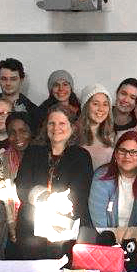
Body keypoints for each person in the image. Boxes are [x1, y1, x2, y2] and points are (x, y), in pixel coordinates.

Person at [13, 106, 93, 258]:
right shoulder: (33, 151)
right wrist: (46, 197)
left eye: (62, 123)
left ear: (72, 127)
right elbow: (21, 185)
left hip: (65, 230)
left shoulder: (81, 156)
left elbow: (81, 192)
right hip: (30, 230)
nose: (56, 128)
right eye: (51, 123)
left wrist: (58, 202)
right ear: (46, 127)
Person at [89, 130, 137, 228]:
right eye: (122, 151)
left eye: (134, 152)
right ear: (115, 154)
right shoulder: (102, 176)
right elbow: (99, 222)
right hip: (106, 238)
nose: (127, 156)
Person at [0, 112, 34, 242]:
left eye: (23, 131)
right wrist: (12, 227)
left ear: (31, 132)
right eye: (12, 132)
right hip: (11, 227)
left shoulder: (42, 157)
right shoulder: (1, 160)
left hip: (38, 225)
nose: (18, 137)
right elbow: (2, 197)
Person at [0, 58, 42, 131]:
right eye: (4, 79)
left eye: (13, 79)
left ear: (21, 80)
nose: (8, 83)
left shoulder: (33, 111)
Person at [77, 84, 116, 169]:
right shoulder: (73, 135)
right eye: (95, 104)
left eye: (105, 104)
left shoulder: (112, 136)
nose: (101, 109)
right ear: (85, 106)